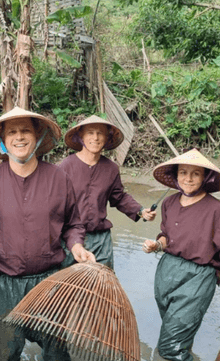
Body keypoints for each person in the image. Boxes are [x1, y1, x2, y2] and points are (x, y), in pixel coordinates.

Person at [0, 106, 95, 361]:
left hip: (50, 283)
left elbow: (73, 224)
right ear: (1, 141)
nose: (19, 137)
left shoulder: (59, 178)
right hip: (5, 285)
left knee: (57, 359)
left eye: (25, 130)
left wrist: (77, 246)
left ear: (38, 136)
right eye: (11, 132)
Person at [142, 149, 220, 361]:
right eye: (183, 172)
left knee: (169, 347)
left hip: (198, 278)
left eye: (195, 174)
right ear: (176, 176)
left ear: (205, 177)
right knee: (175, 332)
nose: (188, 179)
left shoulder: (216, 210)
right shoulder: (169, 203)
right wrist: (156, 245)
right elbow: (167, 236)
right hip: (166, 272)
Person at [60, 115, 156, 269]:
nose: (95, 138)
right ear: (81, 137)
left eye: (100, 133)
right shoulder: (66, 167)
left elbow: (119, 197)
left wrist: (140, 211)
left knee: (103, 284)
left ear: (107, 138)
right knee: (69, 287)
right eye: (90, 133)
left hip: (101, 239)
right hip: (70, 238)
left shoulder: (111, 168)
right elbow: (54, 205)